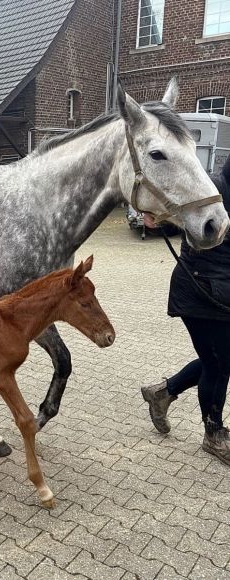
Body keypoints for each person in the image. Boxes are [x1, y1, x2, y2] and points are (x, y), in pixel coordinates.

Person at [141, 155, 230, 466]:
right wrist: (155, 216)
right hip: (202, 289)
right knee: (219, 364)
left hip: (216, 289)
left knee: (217, 359)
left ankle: (163, 392)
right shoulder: (213, 188)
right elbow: (166, 211)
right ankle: (213, 433)